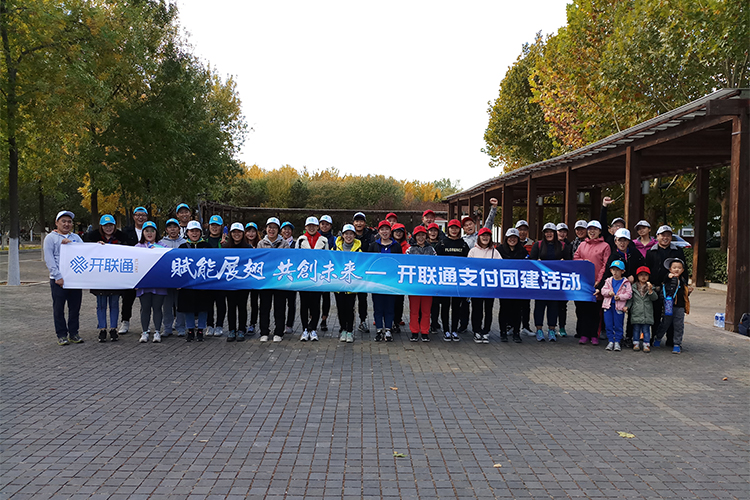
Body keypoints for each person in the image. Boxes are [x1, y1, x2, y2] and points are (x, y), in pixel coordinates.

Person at [84, 214, 128, 343]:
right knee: (101, 305)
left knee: (114, 304)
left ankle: (113, 329)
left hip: (115, 277)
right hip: (99, 278)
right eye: (105, 226)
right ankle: (102, 329)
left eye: (110, 225)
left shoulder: (122, 239)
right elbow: (84, 251)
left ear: (114, 226)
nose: (108, 228)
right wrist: (95, 246)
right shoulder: (92, 238)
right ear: (101, 227)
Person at [598, 228, 644, 347]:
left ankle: (629, 336)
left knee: (633, 313)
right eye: (620, 240)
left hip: (634, 288)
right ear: (615, 241)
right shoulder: (613, 255)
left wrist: (634, 276)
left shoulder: (635, 253)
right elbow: (607, 274)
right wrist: (599, 287)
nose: (622, 243)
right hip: (617, 290)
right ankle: (613, 338)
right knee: (615, 315)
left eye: (625, 240)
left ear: (629, 241)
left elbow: (643, 268)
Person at [44, 210, 84, 346]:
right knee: (59, 308)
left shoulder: (76, 238)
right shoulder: (51, 238)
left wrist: (98, 245)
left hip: (74, 280)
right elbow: (49, 259)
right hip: (58, 280)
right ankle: (61, 335)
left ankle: (74, 333)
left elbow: (85, 252)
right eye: (63, 221)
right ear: (57, 223)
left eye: (69, 222)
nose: (67, 224)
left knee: (75, 308)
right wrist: (57, 276)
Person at [645, 225, 686, 347]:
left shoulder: (677, 251)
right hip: (656, 287)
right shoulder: (651, 252)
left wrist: (685, 286)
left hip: (673, 289)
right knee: (656, 314)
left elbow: (685, 269)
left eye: (668, 235)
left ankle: (671, 340)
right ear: (657, 236)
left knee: (672, 314)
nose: (665, 237)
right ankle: (654, 337)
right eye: (663, 235)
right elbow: (647, 268)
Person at [529, 223, 570, 342]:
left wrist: (564, 262)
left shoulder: (562, 246)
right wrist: (537, 262)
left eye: (551, 231)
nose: (549, 234)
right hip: (540, 281)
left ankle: (552, 329)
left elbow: (569, 262)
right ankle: (539, 329)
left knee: (554, 305)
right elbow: (531, 261)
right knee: (539, 305)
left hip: (555, 281)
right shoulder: (538, 245)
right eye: (546, 232)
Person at [573, 220, 611, 346]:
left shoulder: (605, 246)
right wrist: (584, 263)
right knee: (583, 310)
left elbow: (605, 265)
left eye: (595, 229)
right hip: (584, 283)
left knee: (595, 311)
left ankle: (594, 335)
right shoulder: (582, 245)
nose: (592, 232)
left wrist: (599, 281)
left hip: (596, 284)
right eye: (590, 229)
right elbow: (576, 259)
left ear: (600, 231)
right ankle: (584, 334)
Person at [435, 219, 470, 342]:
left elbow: (468, 262)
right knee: (445, 306)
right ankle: (446, 330)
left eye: (456, 228)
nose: (454, 230)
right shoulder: (441, 244)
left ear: (459, 230)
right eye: (451, 228)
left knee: (456, 307)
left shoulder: (463, 244)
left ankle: (454, 330)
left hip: (459, 281)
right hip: (445, 280)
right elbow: (435, 262)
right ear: (448, 229)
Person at [367, 220, 402, 341]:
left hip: (391, 282)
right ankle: (378, 330)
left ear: (390, 231)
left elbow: (399, 263)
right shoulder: (373, 246)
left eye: (387, 229)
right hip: (376, 283)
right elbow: (369, 263)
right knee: (378, 307)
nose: (384, 232)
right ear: (379, 231)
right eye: (382, 229)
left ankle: (388, 330)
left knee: (389, 307)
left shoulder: (396, 246)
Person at [257, 217, 290, 342]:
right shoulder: (261, 244)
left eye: (275, 227)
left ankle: (279, 332)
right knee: (264, 307)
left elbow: (287, 260)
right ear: (266, 229)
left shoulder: (284, 244)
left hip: (280, 280)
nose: (272, 230)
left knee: (279, 307)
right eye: (269, 227)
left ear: (278, 230)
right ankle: (264, 332)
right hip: (265, 280)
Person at [296, 216, 329, 341]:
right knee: (304, 304)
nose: (311, 228)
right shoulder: (300, 240)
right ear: (305, 227)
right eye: (309, 226)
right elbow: (296, 259)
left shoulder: (324, 240)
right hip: (304, 276)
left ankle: (313, 328)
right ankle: (305, 329)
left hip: (318, 277)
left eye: (314, 226)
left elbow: (326, 259)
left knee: (316, 304)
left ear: (317, 227)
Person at [178, 220, 211, 342]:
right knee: (188, 307)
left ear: (201, 232)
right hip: (187, 283)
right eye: (192, 231)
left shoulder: (207, 246)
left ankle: (201, 329)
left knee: (203, 307)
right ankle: (190, 330)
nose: (194, 233)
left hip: (203, 283)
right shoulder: (182, 247)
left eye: (197, 231)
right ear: (187, 232)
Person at [135, 221, 167, 343]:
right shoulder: (138, 247)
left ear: (156, 232)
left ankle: (157, 331)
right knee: (145, 308)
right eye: (146, 231)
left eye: (152, 231)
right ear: (142, 233)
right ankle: (144, 332)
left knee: (157, 308)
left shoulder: (163, 246)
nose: (149, 233)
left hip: (159, 283)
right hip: (144, 282)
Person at [118, 206, 149, 335]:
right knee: (127, 298)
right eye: (138, 215)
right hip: (131, 269)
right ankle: (125, 321)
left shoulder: (150, 229)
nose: (140, 217)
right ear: (133, 216)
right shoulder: (126, 231)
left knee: (147, 299)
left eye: (143, 215)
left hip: (147, 269)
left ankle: (148, 325)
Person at [467, 227, 501, 344]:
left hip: (490, 287)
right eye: (483, 235)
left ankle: (486, 331)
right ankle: (476, 330)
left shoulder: (495, 252)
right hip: (476, 286)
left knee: (488, 309)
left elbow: (500, 266)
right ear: (479, 237)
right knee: (477, 309)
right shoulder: (473, 251)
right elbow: (469, 267)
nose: (485, 238)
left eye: (487, 235)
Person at [653, 258, 693, 354]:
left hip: (680, 306)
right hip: (669, 305)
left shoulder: (683, 280)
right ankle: (658, 338)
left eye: (679, 268)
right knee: (665, 323)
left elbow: (683, 294)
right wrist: (668, 276)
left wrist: (688, 292)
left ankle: (677, 344)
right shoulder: (668, 279)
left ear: (682, 270)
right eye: (674, 267)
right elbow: (664, 279)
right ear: (670, 269)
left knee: (679, 325)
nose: (676, 269)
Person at [405, 225, 437, 342]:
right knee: (414, 310)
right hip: (414, 285)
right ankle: (414, 331)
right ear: (414, 237)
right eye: (418, 235)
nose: (421, 237)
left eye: (423, 235)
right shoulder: (410, 250)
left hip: (427, 284)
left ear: (426, 236)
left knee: (426, 310)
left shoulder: (431, 250)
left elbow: (437, 264)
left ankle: (424, 331)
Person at [498, 228, 527, 343]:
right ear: (506, 238)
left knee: (517, 310)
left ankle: (516, 332)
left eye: (515, 237)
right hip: (503, 285)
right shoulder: (499, 250)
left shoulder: (522, 251)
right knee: (504, 309)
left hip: (517, 286)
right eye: (510, 237)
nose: (512, 240)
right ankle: (503, 332)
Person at [334, 224, 362, 343]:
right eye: (346, 234)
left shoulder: (359, 250)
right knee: (340, 308)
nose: (348, 236)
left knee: (350, 308)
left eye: (351, 234)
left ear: (354, 235)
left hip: (352, 285)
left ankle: (350, 331)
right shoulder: (335, 249)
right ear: (342, 235)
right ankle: (343, 329)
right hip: (338, 285)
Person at [158, 218, 187, 337]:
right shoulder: (160, 244)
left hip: (181, 279)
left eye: (175, 227)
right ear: (166, 230)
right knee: (167, 306)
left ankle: (181, 327)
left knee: (180, 305)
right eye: (170, 227)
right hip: (166, 279)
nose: (173, 229)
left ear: (179, 229)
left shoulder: (185, 243)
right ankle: (167, 328)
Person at [224, 222, 251, 342]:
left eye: (239, 232)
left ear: (243, 233)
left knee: (242, 306)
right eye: (234, 232)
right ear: (230, 233)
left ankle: (241, 329)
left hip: (243, 282)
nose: (236, 234)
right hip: (229, 282)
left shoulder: (248, 248)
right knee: (231, 306)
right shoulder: (225, 247)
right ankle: (231, 330)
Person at [601, 260, 633, 351]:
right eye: (613, 269)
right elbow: (603, 291)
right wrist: (609, 292)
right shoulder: (608, 281)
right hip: (608, 306)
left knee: (618, 325)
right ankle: (611, 341)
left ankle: (617, 341)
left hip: (619, 307)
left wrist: (620, 297)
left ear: (622, 271)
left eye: (618, 270)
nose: (615, 272)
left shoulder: (626, 282)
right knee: (608, 324)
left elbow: (629, 294)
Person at [625, 266, 658, 352]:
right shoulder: (633, 287)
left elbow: (655, 298)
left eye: (646, 275)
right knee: (636, 329)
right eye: (641, 275)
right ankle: (636, 343)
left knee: (646, 330)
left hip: (647, 313)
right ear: (637, 276)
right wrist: (627, 306)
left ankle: (646, 344)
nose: (643, 277)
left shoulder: (650, 287)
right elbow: (630, 299)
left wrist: (651, 291)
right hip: (636, 312)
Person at [353, 212, 375, 333]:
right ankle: (348, 322)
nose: (359, 223)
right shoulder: (349, 234)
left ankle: (363, 320)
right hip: (350, 271)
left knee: (362, 298)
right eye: (357, 221)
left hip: (364, 272)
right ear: (353, 223)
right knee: (350, 299)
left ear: (365, 223)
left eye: (361, 221)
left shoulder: (370, 236)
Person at [205, 215, 226, 338]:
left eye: (217, 225)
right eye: (212, 225)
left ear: (221, 227)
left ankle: (219, 325)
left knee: (221, 302)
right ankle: (209, 325)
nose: (214, 228)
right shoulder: (204, 241)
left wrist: (225, 245)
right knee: (208, 302)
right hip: (208, 278)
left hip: (222, 278)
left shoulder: (226, 241)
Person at [515, 220, 534, 336]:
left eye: (524, 229)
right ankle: (511, 326)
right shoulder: (511, 243)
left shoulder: (533, 244)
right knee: (513, 304)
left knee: (526, 304)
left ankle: (526, 326)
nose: (522, 232)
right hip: (513, 279)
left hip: (527, 279)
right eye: (520, 229)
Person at [318, 215, 336, 332]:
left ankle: (324, 319)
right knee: (314, 297)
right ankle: (312, 317)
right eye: (322, 224)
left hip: (328, 270)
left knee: (326, 296)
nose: (324, 226)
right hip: (315, 270)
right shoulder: (315, 237)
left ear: (330, 226)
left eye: (327, 224)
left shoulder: (334, 239)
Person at [391, 222, 410, 332]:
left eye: (400, 232)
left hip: (402, 278)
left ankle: (397, 321)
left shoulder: (408, 247)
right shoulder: (388, 244)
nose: (398, 233)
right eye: (396, 231)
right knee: (389, 301)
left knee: (399, 301)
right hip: (390, 278)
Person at [279, 221, 297, 335]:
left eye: (289, 229)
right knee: (280, 303)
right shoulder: (278, 243)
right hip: (280, 278)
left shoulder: (296, 244)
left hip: (292, 278)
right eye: (285, 229)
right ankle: (280, 324)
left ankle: (289, 324)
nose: (287, 231)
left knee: (291, 303)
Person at [244, 222, 261, 335]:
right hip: (244, 278)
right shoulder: (242, 245)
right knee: (243, 302)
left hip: (256, 278)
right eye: (248, 231)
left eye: (253, 231)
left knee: (254, 302)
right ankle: (243, 324)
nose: (251, 234)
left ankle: (252, 323)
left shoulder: (261, 245)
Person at [556, 222, 571, 336]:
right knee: (552, 305)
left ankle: (562, 327)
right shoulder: (550, 244)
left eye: (564, 231)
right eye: (560, 231)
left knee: (562, 305)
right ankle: (551, 327)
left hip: (564, 279)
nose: (562, 233)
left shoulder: (569, 245)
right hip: (551, 279)